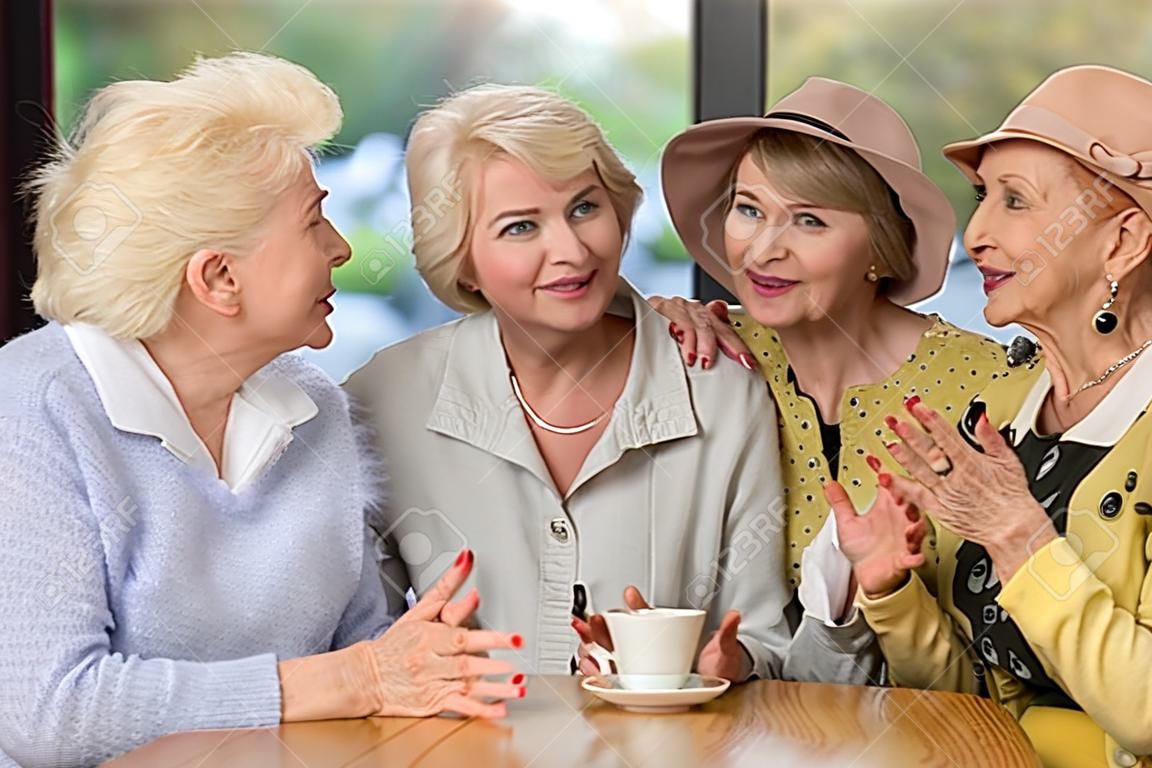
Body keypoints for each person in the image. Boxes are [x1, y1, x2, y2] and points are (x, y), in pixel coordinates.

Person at [0, 53, 521, 768]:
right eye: (314, 222)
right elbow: (52, 713)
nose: (340, 248)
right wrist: (346, 682)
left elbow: (370, 661)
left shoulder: (314, 406)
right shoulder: (30, 409)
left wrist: (413, 666)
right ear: (219, 277)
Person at [345, 84, 873, 684]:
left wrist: (728, 664)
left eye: (584, 209)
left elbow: (759, 635)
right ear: (460, 257)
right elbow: (363, 642)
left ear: (619, 211)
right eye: (521, 228)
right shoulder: (380, 400)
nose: (571, 251)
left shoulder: (722, 388)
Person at [835, 65, 1152, 768]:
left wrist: (1017, 532)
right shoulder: (1005, 408)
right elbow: (971, 702)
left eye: (1016, 201)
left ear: (1124, 242)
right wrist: (892, 593)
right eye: (983, 197)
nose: (975, 232)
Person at [652, 78, 1010, 639]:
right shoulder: (710, 352)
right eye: (748, 209)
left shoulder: (984, 384)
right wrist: (645, 322)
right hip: (737, 716)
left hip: (936, 719)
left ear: (881, 246)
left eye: (809, 220)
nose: (764, 249)